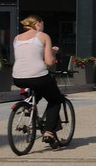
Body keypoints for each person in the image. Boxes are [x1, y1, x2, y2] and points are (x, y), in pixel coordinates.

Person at [12, 14, 64, 146]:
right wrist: (53, 52)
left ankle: (28, 105)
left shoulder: (16, 38)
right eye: (43, 24)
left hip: (18, 77)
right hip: (38, 75)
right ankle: (48, 132)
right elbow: (49, 62)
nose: (43, 27)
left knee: (40, 89)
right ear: (38, 23)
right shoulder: (43, 36)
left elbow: (28, 56)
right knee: (55, 99)